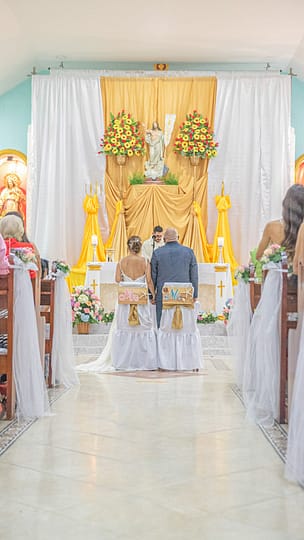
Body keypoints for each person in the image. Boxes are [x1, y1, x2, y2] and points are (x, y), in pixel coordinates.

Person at [77, 235, 157, 373]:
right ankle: (143, 360)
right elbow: (149, 280)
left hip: (125, 300)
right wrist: (153, 295)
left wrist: (127, 280)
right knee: (142, 328)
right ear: (139, 248)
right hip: (141, 300)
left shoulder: (121, 262)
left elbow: (117, 279)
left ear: (128, 247)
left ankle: (123, 360)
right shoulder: (145, 261)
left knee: (124, 328)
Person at [151, 228, 198, 328]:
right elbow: (194, 275)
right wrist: (195, 294)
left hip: (163, 295)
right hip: (184, 294)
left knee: (163, 325)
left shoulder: (157, 253)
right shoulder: (189, 252)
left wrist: (152, 295)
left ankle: (162, 342)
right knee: (184, 324)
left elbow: (153, 276)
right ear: (178, 238)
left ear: (164, 239)